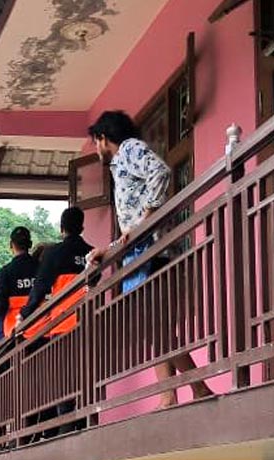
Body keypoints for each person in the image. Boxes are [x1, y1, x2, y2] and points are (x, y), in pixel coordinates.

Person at [86, 110, 210, 408]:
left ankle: (188, 390)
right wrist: (110, 248)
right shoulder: (120, 164)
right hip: (140, 252)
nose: (96, 148)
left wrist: (148, 217)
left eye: (96, 142)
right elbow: (131, 230)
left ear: (103, 138)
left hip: (152, 252)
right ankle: (181, 392)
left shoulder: (129, 148)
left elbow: (161, 172)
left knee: (154, 328)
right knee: (155, 330)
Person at [17, 207, 92, 337]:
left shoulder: (54, 253)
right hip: (90, 318)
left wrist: (24, 314)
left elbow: (40, 286)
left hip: (63, 321)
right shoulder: (92, 252)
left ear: (62, 229)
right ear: (82, 228)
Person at [0, 226, 37, 339]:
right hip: (41, 329)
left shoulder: (5, 272)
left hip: (15, 331)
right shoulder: (42, 268)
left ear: (11, 245)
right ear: (30, 244)